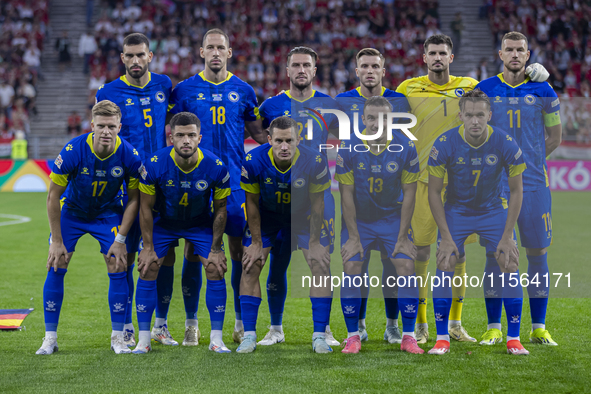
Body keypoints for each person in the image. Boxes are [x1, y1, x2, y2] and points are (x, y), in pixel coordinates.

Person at [395, 34, 549, 344]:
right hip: (424, 182)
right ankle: (423, 324)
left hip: (464, 185)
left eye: (443, 53)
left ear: (452, 57)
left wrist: (537, 72)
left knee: (459, 254)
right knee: (424, 253)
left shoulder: (469, 86)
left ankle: (454, 322)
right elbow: (386, 111)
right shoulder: (406, 88)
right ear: (424, 57)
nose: (438, 57)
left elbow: (503, 86)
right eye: (432, 53)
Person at [168, 28, 268, 344]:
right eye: (209, 47)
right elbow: (169, 135)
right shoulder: (184, 90)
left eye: (220, 47)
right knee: (193, 249)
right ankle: (191, 323)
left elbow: (261, 135)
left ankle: (239, 322)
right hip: (195, 186)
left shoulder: (244, 90)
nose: (214, 52)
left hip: (236, 185)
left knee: (239, 252)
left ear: (228, 52)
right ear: (201, 52)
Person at [426, 89, 528, 356]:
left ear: (489, 116)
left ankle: (513, 339)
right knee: (445, 261)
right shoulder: (444, 143)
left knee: (510, 260)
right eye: (469, 115)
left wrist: (507, 236)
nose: (474, 121)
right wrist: (446, 237)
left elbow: (517, 191)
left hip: (493, 210)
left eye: (480, 115)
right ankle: (441, 339)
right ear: (460, 116)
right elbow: (434, 192)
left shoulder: (505, 143)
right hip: (456, 211)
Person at [476, 31, 562, 346]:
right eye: (509, 49)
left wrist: (529, 162)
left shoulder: (543, 89)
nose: (515, 54)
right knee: (494, 254)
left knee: (537, 253)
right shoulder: (483, 90)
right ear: (500, 54)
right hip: (493, 187)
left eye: (520, 50)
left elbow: (554, 136)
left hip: (535, 185)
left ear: (528, 55)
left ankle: (538, 326)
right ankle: (494, 326)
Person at [36, 100, 142, 355]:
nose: (106, 131)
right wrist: (57, 241)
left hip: (107, 214)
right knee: (57, 261)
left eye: (112, 126)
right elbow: (53, 197)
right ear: (92, 125)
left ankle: (118, 338)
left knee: (118, 262)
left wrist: (121, 239)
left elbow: (135, 199)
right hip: (73, 212)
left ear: (119, 127)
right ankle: (50, 338)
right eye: (101, 126)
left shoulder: (129, 154)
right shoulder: (73, 150)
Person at [256, 46, 338, 347]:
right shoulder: (270, 107)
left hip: (317, 199)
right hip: (278, 201)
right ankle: (275, 328)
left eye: (307, 65)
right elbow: (261, 139)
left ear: (315, 70)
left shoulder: (330, 106)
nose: (301, 70)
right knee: (277, 264)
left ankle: (324, 329)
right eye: (296, 65)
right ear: (287, 70)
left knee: (322, 263)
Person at [96, 32, 173, 348]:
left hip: (159, 185)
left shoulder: (165, 85)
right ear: (123, 58)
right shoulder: (109, 91)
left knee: (163, 257)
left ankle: (161, 325)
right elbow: (103, 132)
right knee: (124, 256)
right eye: (130, 56)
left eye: (141, 55)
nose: (136, 61)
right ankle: (126, 326)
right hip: (125, 189)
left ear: (150, 56)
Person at [134, 112, 232, 354]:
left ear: (200, 138)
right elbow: (144, 207)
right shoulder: (154, 164)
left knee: (214, 266)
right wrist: (147, 248)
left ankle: (216, 339)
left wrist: (217, 248)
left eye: (191, 135)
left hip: (199, 223)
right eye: (180, 135)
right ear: (171, 138)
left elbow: (220, 209)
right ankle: (144, 339)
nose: (186, 140)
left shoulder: (216, 167)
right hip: (164, 223)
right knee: (148, 266)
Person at [238, 116, 333, 354]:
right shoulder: (253, 160)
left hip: (303, 218)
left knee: (320, 265)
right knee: (250, 264)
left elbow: (318, 204)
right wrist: (256, 243)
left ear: (298, 140)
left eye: (289, 140)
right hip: (267, 218)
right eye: (278, 140)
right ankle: (249, 336)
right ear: (269, 139)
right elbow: (251, 204)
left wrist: (314, 243)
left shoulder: (314, 160)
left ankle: (320, 336)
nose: (284, 146)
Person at [335, 96, 422, 354]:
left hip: (392, 219)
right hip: (359, 220)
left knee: (405, 266)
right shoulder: (349, 147)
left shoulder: (406, 147)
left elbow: (409, 193)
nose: (376, 123)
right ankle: (353, 336)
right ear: (363, 120)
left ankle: (408, 336)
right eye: (371, 118)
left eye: (382, 118)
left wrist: (404, 235)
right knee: (352, 265)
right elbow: (346, 194)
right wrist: (352, 236)